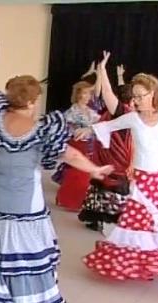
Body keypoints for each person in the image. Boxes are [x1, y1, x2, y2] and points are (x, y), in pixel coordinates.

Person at [0, 76, 113, 303]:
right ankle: (17, 296)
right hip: (26, 201)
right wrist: (94, 169)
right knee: (23, 246)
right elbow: (70, 155)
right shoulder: (41, 128)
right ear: (32, 101)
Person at [82, 72, 158, 280]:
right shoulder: (132, 118)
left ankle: (156, 262)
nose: (137, 100)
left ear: (153, 94)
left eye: (141, 96)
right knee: (136, 222)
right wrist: (89, 130)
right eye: (135, 96)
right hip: (142, 180)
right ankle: (133, 264)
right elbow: (109, 126)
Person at [78, 51, 134, 231]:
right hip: (115, 158)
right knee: (110, 184)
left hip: (117, 157)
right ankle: (108, 219)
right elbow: (107, 92)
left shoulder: (129, 114)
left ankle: (99, 219)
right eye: (135, 98)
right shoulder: (122, 112)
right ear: (130, 101)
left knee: (104, 184)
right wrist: (102, 70)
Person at [54, 81, 101, 211]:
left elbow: (98, 124)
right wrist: (77, 132)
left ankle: (80, 199)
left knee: (86, 172)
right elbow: (66, 127)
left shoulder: (91, 111)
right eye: (85, 93)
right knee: (78, 171)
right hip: (78, 143)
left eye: (89, 93)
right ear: (79, 94)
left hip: (91, 144)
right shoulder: (72, 111)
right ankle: (72, 201)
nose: (87, 96)